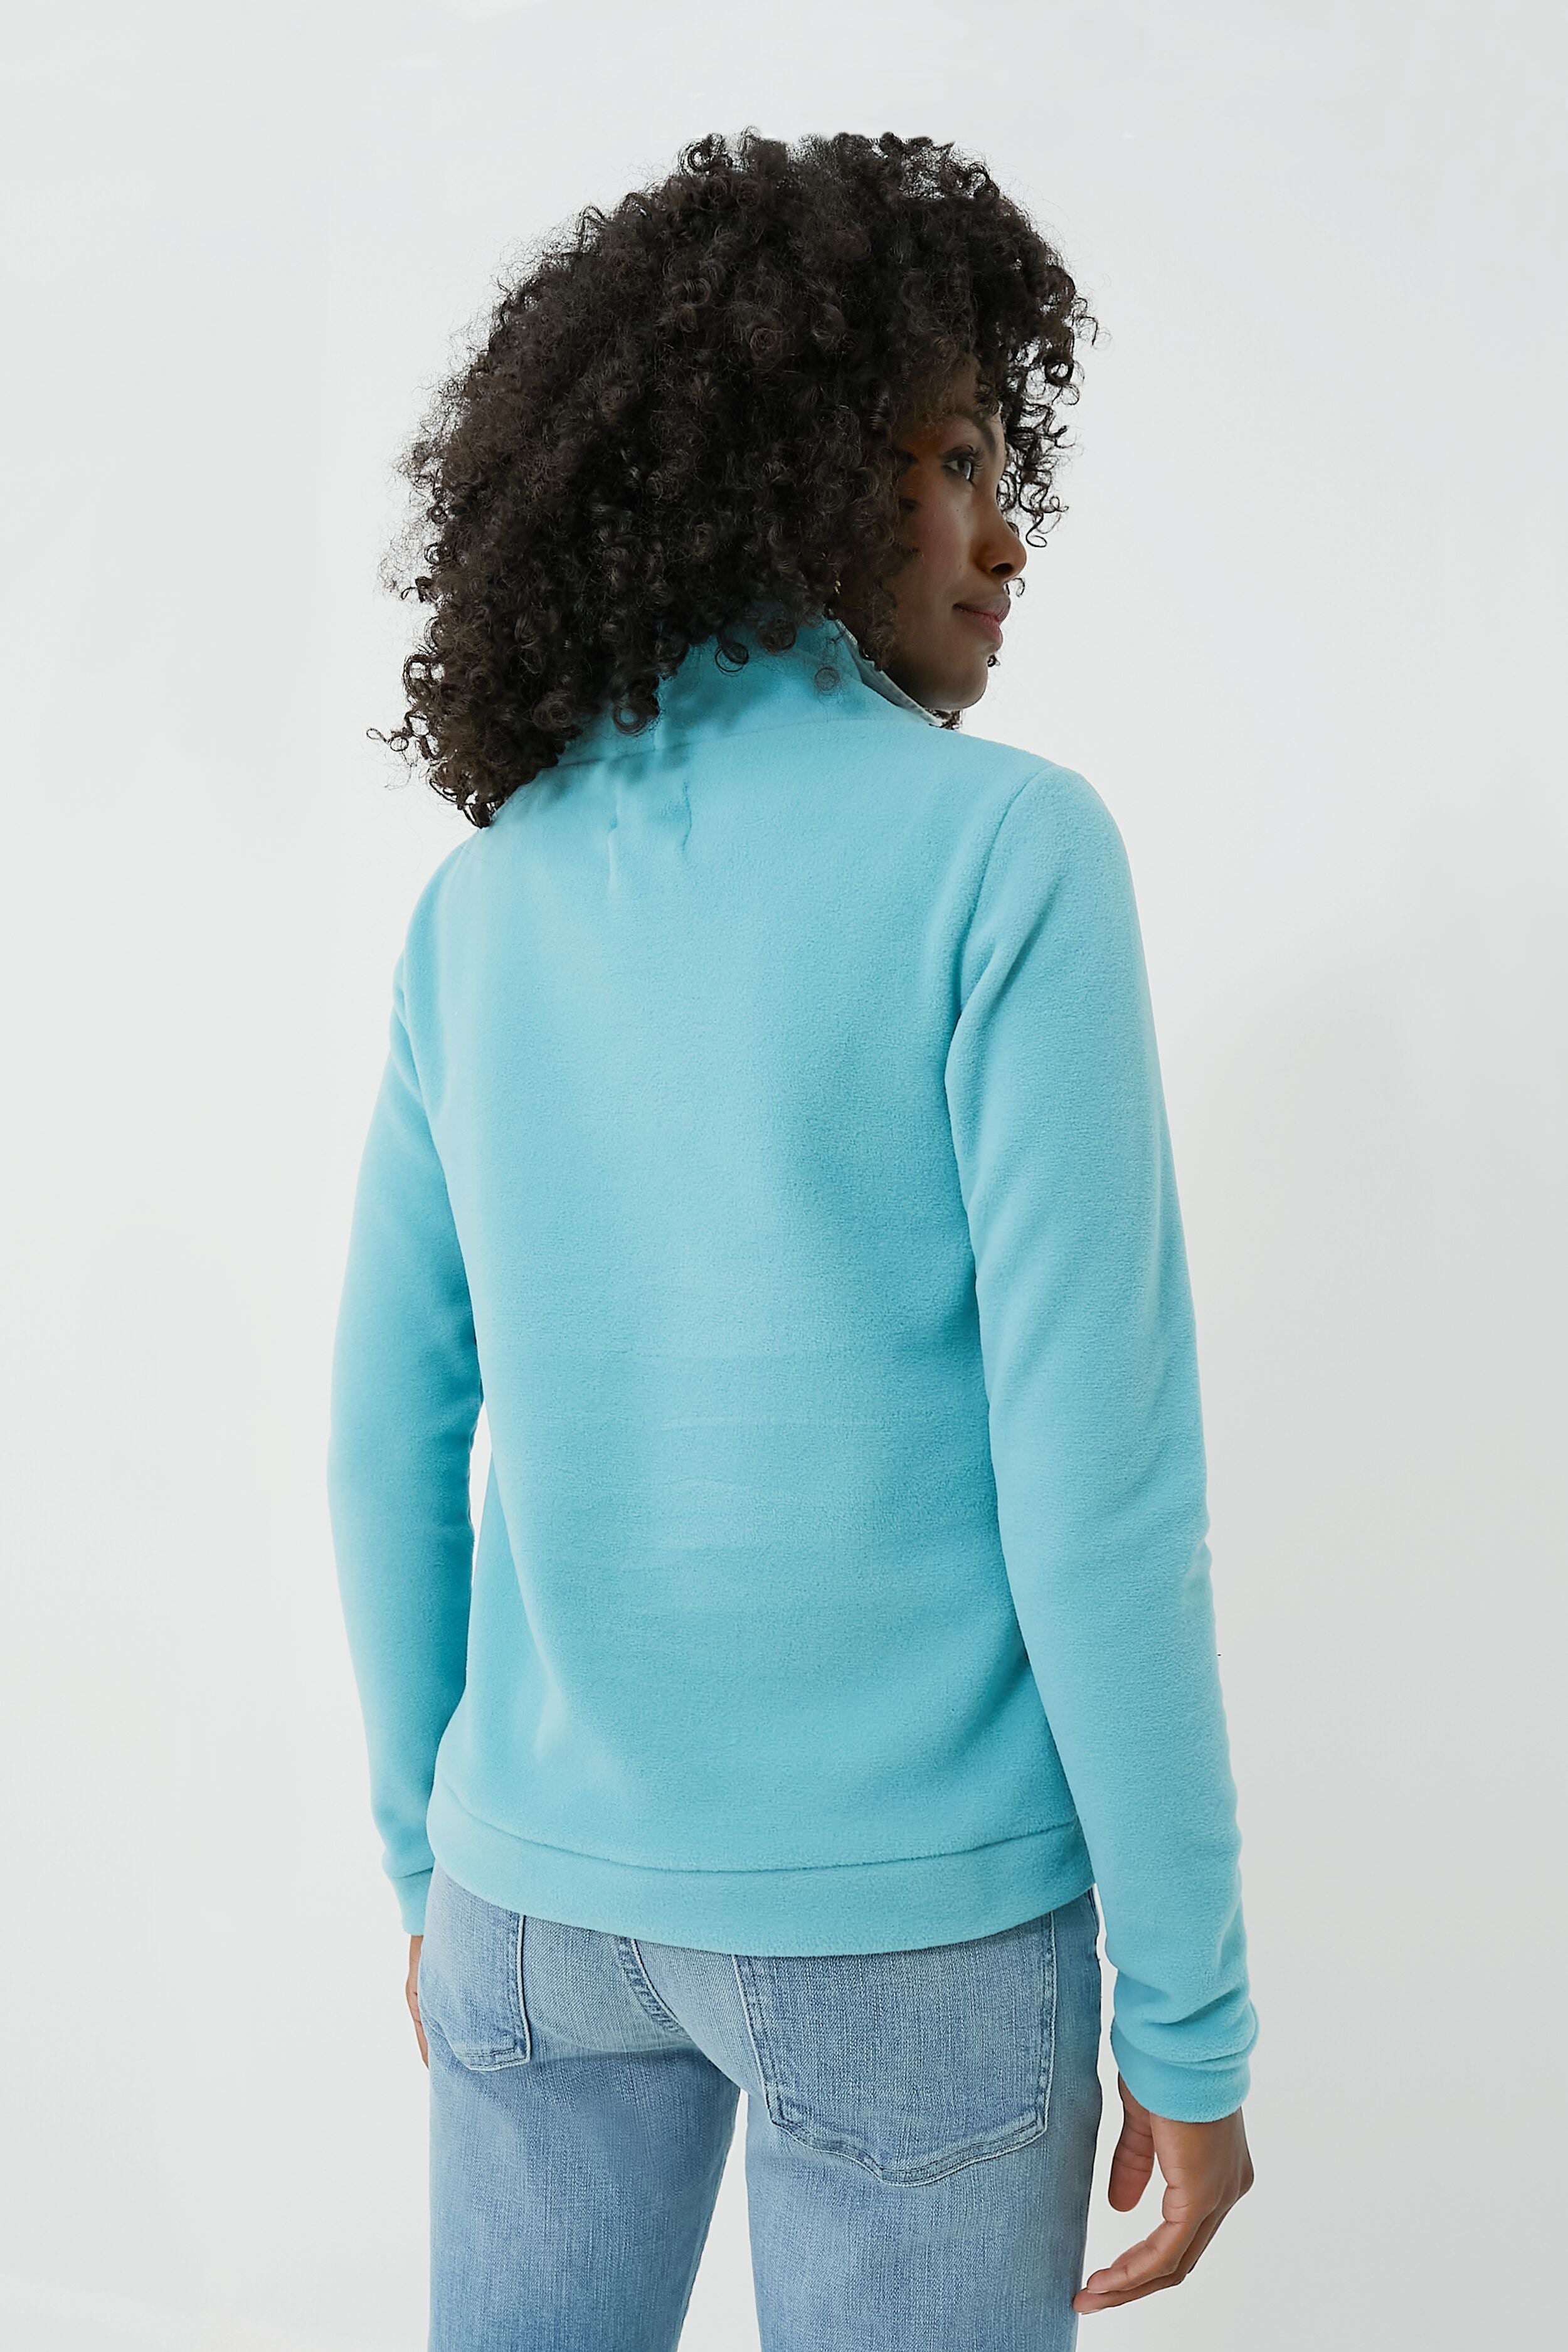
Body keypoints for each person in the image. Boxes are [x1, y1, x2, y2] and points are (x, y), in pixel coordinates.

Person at [327, 128, 1257, 2351]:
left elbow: (381, 1439)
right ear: (806, 479)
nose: (1003, 534)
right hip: (912, 1927)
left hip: (533, 1910)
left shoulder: (485, 902)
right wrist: (1192, 2018)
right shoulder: (1006, 856)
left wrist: (429, 1870)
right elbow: (1100, 1497)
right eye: (954, 464)